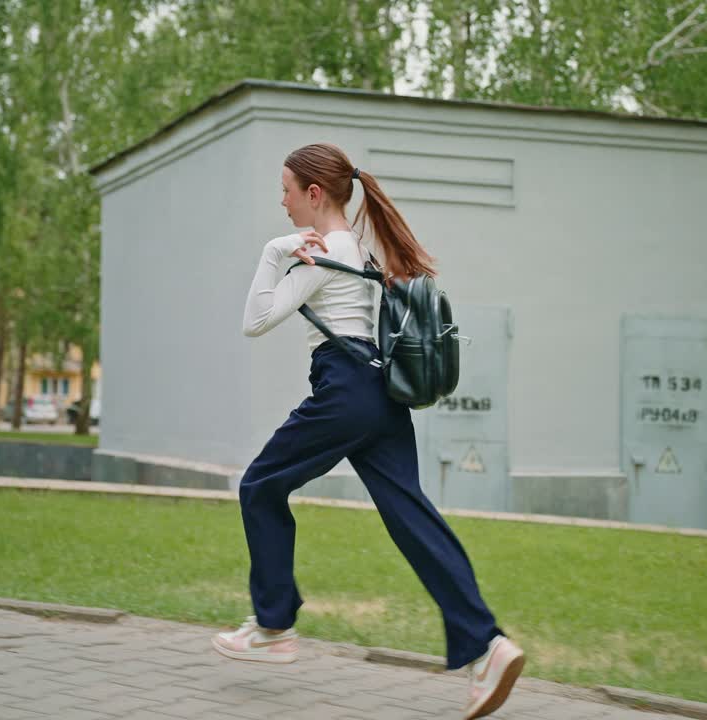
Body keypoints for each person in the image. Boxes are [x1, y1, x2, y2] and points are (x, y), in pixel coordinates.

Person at [212, 143, 525, 719]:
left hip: (345, 390)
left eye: (286, 191)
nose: (281, 202)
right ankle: (487, 646)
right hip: (381, 393)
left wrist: (273, 250)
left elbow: (255, 321)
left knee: (259, 486)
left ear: (313, 193)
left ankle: (274, 627)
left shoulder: (323, 251)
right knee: (412, 516)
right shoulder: (356, 247)